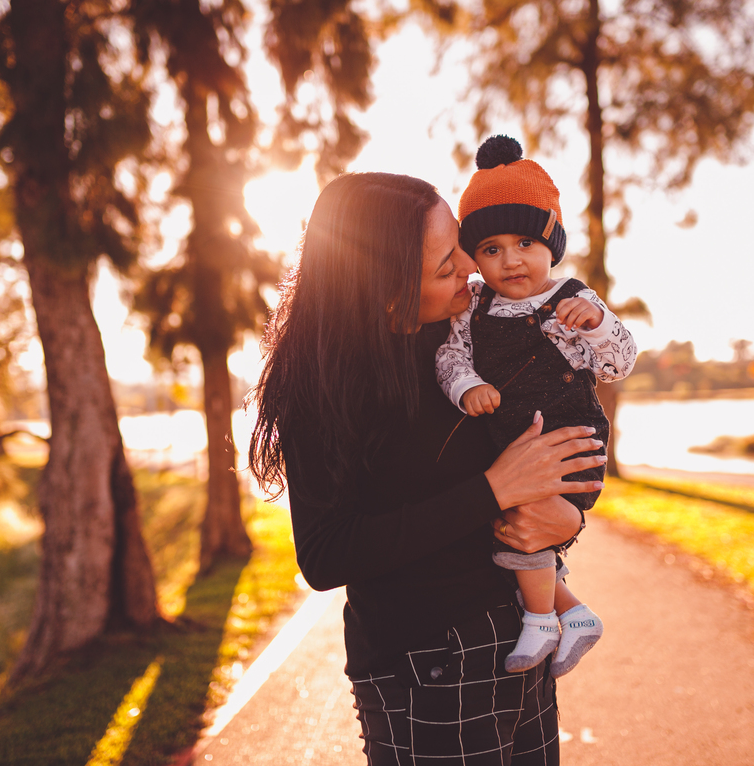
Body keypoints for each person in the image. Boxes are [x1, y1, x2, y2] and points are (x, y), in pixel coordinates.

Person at [249, 172, 606, 764]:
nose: (472, 264)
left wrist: (566, 519)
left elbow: (551, 437)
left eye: (461, 245)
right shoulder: (322, 387)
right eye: (446, 266)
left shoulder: (469, 336)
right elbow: (326, 555)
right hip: (428, 668)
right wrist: (492, 491)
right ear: (387, 291)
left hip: (520, 637)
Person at [436, 135, 636, 679]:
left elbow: (619, 364)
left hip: (571, 443)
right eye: (491, 249)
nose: (511, 260)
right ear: (475, 257)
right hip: (513, 441)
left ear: (552, 243)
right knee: (510, 527)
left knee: (522, 519)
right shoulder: (473, 308)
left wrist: (599, 326)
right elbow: (448, 359)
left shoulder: (575, 300)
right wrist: (468, 385)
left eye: (525, 241)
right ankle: (565, 617)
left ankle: (544, 619)